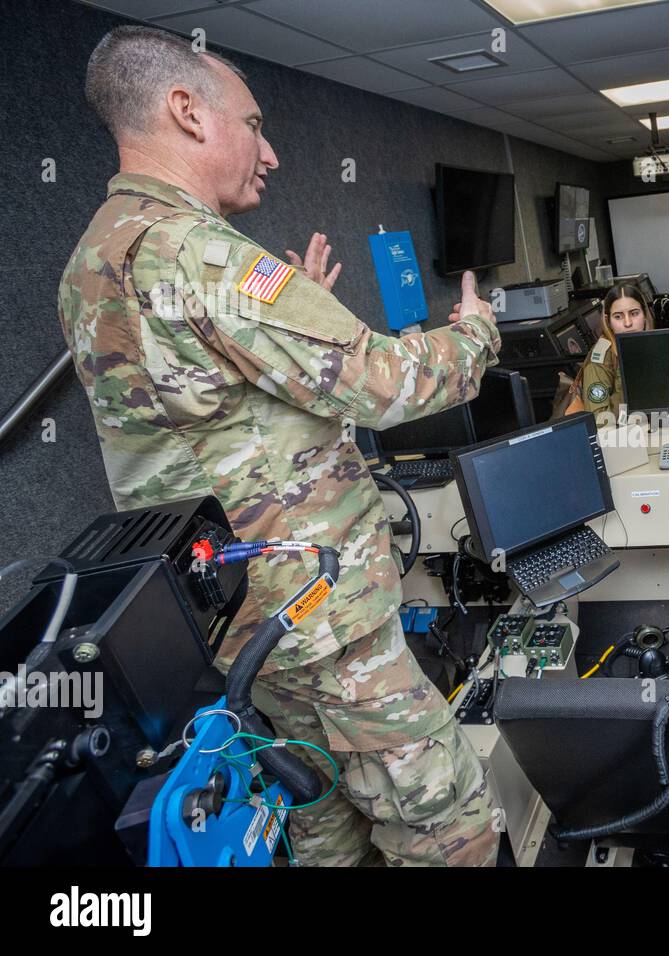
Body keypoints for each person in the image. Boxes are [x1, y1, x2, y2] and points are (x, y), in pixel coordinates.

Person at [58, 26, 502, 867]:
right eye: (255, 124)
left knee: (318, 820)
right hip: (321, 625)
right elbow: (387, 383)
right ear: (186, 112)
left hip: (239, 626)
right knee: (449, 825)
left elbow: (198, 414)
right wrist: (476, 333)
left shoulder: (93, 258)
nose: (270, 153)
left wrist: (296, 330)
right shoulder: (206, 256)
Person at [564, 284, 651, 420]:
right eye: (618, 317)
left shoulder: (649, 345)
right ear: (608, 321)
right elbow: (600, 419)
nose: (628, 323)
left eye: (634, 313)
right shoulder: (601, 360)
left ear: (645, 315)